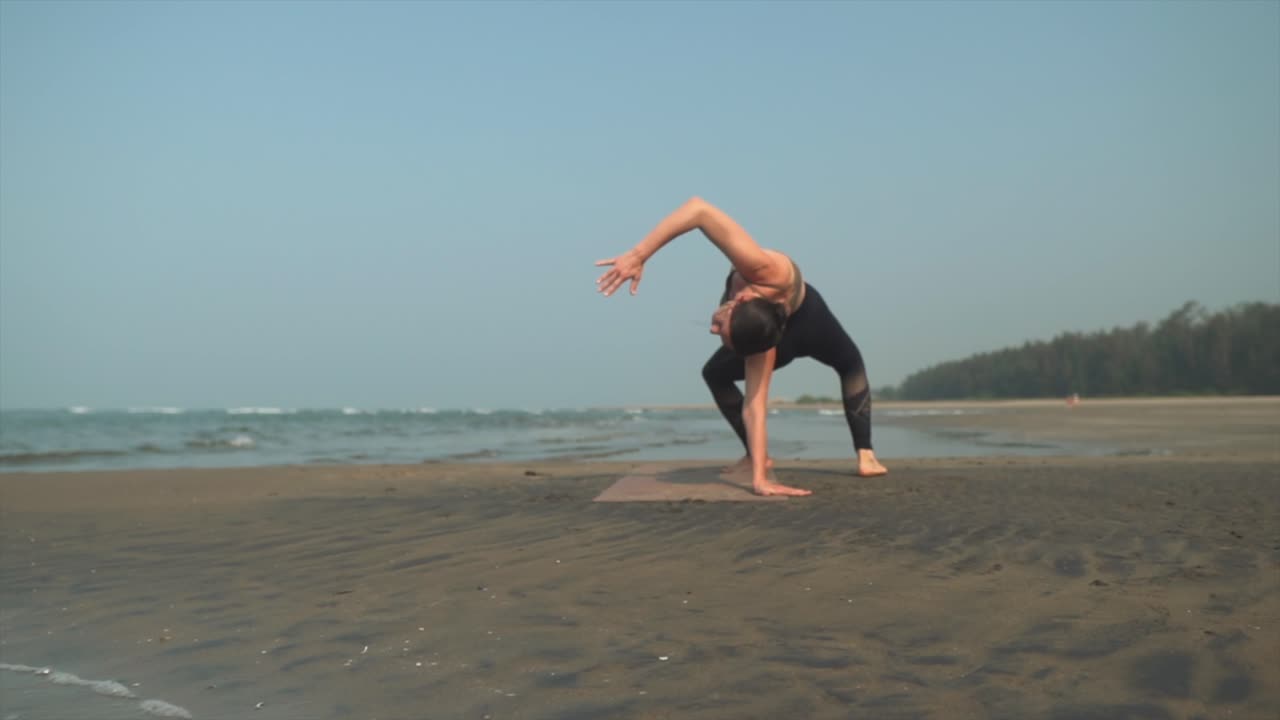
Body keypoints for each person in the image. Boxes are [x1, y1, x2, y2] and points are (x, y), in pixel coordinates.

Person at [595, 196, 888, 497]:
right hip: (774, 322)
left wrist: (761, 480)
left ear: (742, 300)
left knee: (849, 362)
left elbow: (755, 406)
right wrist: (639, 254)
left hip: (812, 321)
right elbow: (698, 209)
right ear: (742, 301)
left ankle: (863, 452)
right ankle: (774, 458)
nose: (711, 328)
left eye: (718, 327)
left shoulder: (762, 303)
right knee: (718, 372)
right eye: (719, 327)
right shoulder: (756, 273)